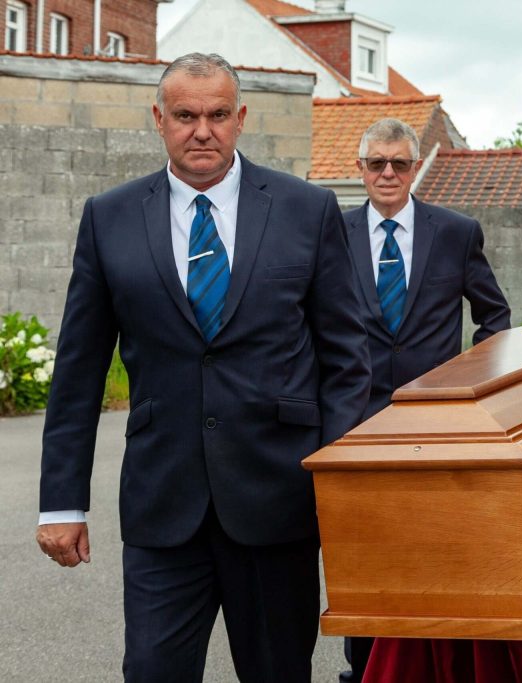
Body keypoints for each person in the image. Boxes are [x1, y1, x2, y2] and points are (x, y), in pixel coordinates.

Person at [35, 53, 371, 683]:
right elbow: (78, 371)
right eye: (185, 116)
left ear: (240, 118)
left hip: (278, 501)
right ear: (158, 119)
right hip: (164, 504)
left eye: (218, 115)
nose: (202, 130)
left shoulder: (307, 210)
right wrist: (61, 502)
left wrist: (337, 482)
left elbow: (346, 360)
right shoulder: (109, 218)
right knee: (153, 670)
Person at [340, 117, 511, 682]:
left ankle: (430, 665)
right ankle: (362, 667)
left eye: (399, 163)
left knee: (432, 552)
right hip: (352, 426)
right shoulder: (331, 235)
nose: (387, 173)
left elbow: (495, 318)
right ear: (360, 170)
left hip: (435, 426)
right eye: (375, 164)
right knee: (361, 557)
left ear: (416, 169)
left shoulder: (456, 232)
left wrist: (468, 387)